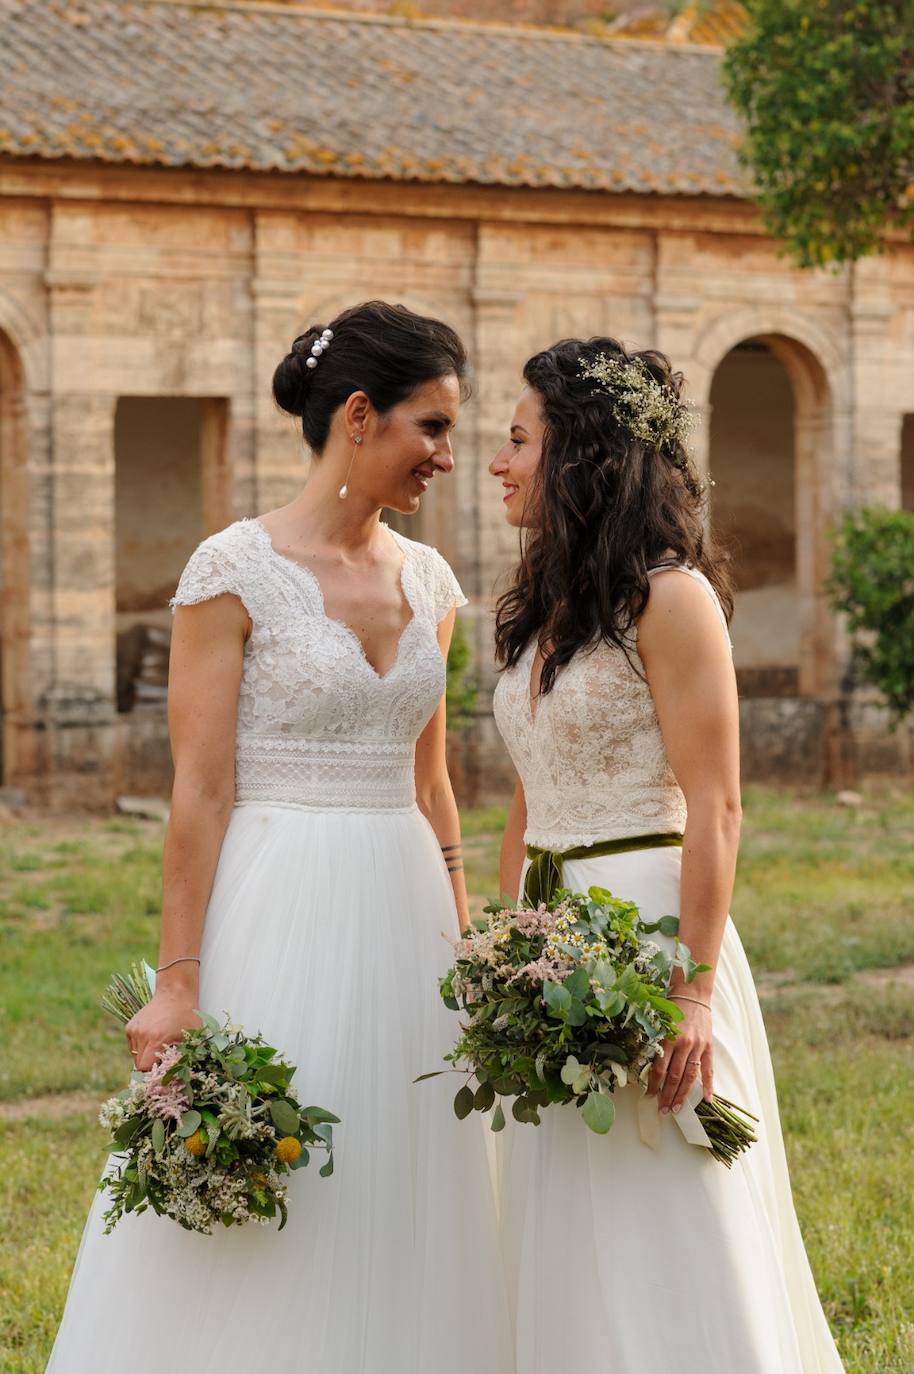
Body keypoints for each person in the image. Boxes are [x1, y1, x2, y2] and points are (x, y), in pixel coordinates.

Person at [46, 300, 511, 1373]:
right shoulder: (231, 571)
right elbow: (199, 793)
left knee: (407, 1165)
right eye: (430, 428)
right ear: (358, 414)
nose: (448, 455)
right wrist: (176, 981)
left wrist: (463, 930)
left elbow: (434, 784)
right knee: (269, 1164)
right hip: (278, 895)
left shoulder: (430, 582)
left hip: (402, 904)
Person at [487, 336, 844, 1373]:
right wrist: (505, 949)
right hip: (549, 938)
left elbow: (717, 807)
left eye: (517, 440)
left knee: (665, 1181)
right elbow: (523, 800)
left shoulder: (670, 598)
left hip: (647, 926)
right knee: (565, 1195)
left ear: (579, 455)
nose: (499, 463)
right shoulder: (539, 610)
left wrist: (687, 993)